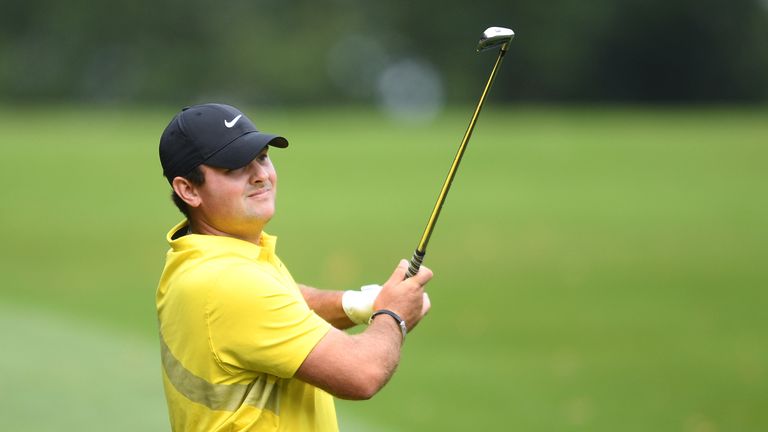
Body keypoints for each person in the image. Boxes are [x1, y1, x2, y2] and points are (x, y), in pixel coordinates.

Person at [156, 103, 433, 432]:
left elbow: (279, 303)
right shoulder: (229, 284)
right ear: (188, 189)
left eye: (261, 156)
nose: (260, 175)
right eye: (233, 167)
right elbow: (363, 373)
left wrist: (357, 304)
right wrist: (394, 316)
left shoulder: (203, 257)